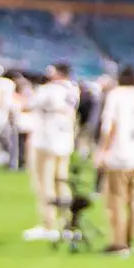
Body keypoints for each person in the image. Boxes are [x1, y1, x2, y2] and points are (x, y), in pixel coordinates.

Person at [95, 66, 134, 256]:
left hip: (119, 154)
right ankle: (130, 238)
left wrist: (102, 151)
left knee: (115, 200)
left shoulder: (116, 96)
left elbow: (110, 125)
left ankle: (118, 242)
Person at [23, 63, 79, 241]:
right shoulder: (73, 89)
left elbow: (28, 105)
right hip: (65, 139)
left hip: (46, 139)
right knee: (61, 182)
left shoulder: (49, 90)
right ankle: (67, 222)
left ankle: (48, 224)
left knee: (44, 182)